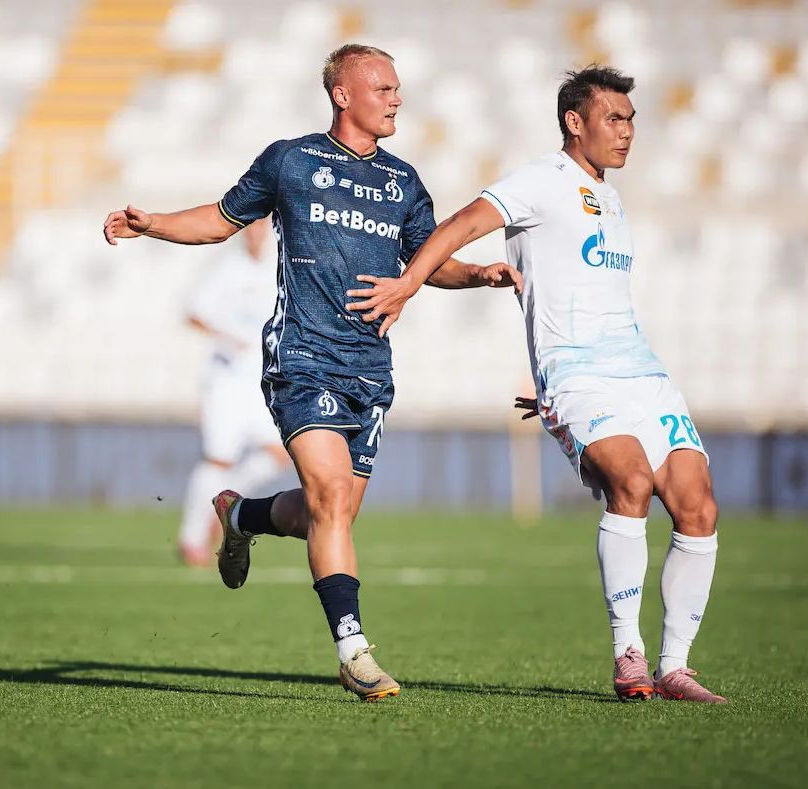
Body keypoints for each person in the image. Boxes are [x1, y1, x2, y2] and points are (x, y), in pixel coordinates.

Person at [104, 44, 520, 700]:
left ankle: (242, 516)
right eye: (383, 88)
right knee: (328, 495)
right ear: (342, 94)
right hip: (302, 357)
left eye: (398, 88)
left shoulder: (403, 181)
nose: (397, 98)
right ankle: (354, 651)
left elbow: (427, 262)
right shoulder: (292, 161)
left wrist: (477, 274)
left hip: (369, 369)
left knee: (331, 513)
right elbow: (221, 219)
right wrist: (152, 222)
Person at [345, 66, 726, 703]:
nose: (627, 132)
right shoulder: (541, 181)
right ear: (575, 123)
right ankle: (629, 654)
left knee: (699, 505)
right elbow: (461, 224)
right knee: (631, 483)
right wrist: (409, 284)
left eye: (631, 120)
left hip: (641, 373)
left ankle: (677, 667)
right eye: (614, 119)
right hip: (578, 374)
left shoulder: (610, 196)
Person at [178, 219, 291, 566]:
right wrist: (228, 337)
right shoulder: (227, 268)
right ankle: (191, 538)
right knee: (219, 458)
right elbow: (193, 314)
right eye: (250, 227)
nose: (255, 233)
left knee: (279, 454)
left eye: (260, 227)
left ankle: (224, 504)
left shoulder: (277, 267)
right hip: (226, 381)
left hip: (259, 381)